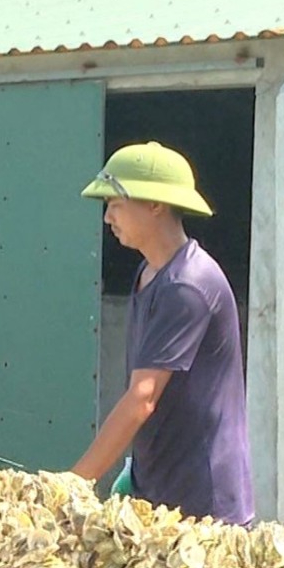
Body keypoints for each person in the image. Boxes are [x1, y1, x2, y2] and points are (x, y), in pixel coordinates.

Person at [70, 142, 253, 527]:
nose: (108, 217)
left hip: (203, 508)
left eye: (116, 204)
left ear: (155, 204)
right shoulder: (149, 274)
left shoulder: (187, 285)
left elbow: (143, 398)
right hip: (157, 492)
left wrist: (71, 484)